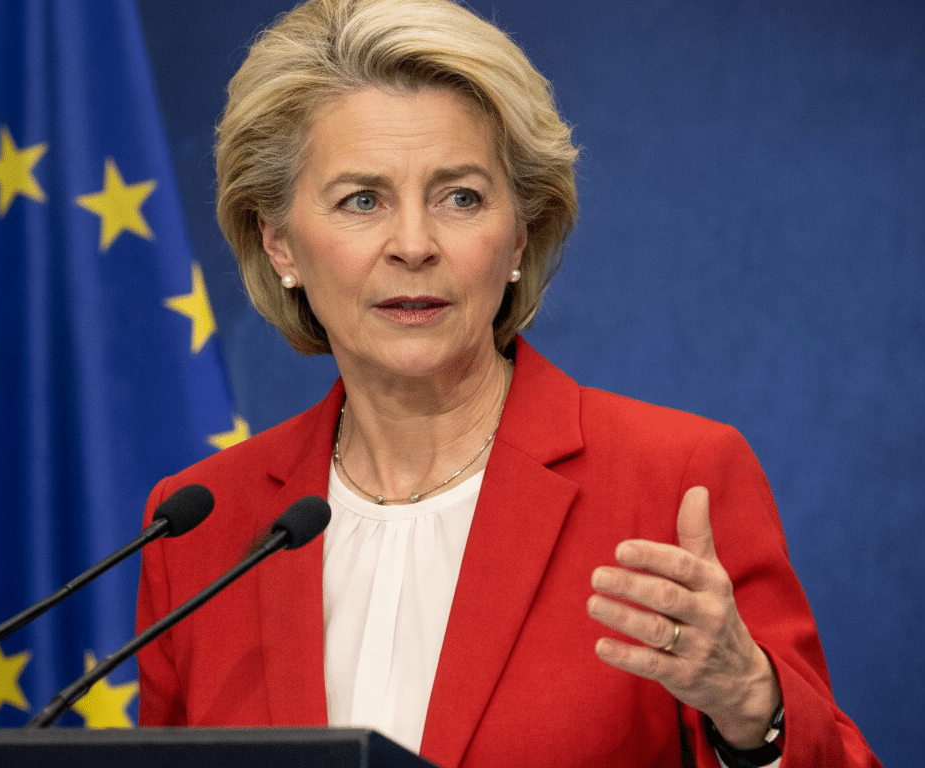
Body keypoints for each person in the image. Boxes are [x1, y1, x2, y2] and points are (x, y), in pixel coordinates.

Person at [135, 1, 881, 766]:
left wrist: (751, 707)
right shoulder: (202, 529)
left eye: (460, 197)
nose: (415, 245)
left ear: (519, 236)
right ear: (281, 243)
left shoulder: (671, 482)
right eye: (363, 200)